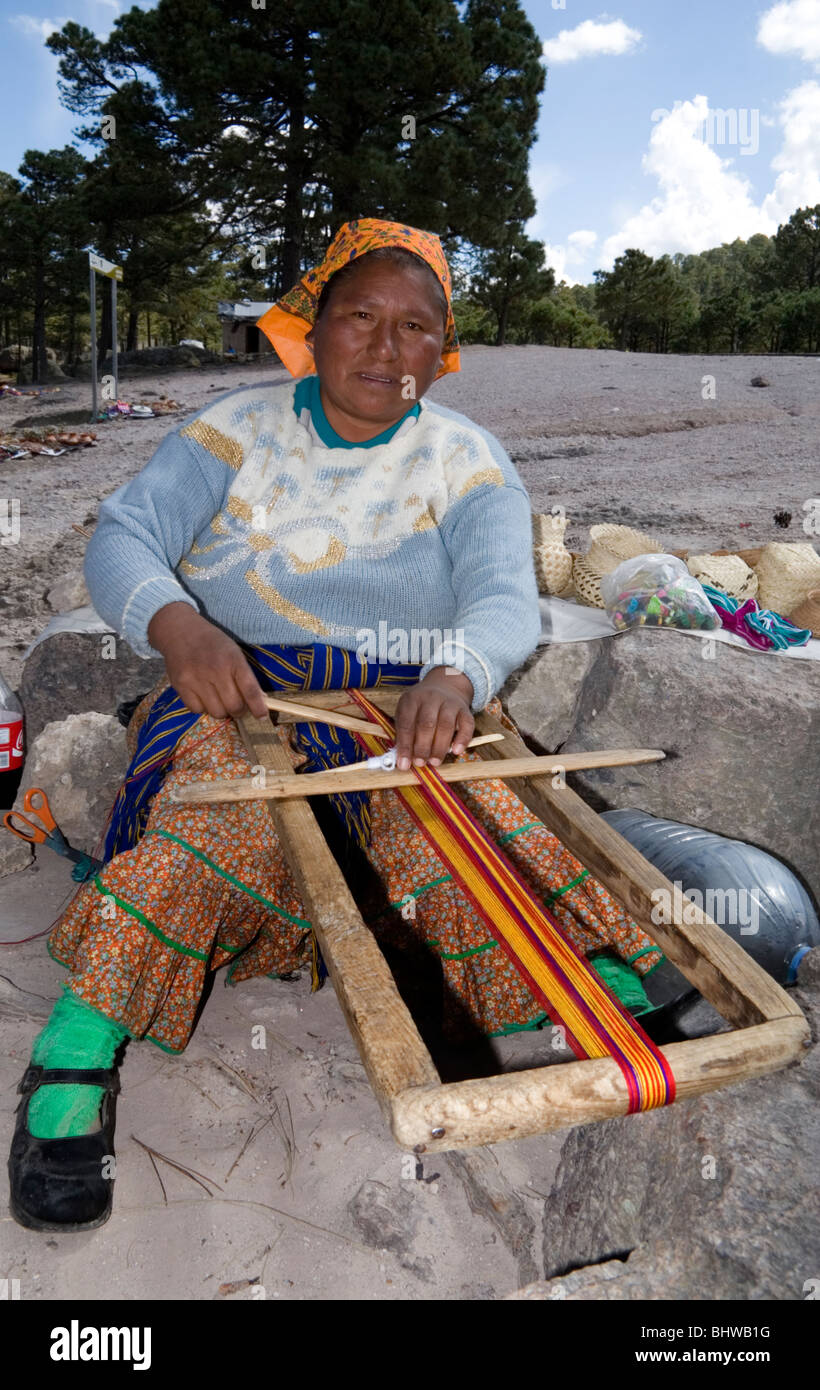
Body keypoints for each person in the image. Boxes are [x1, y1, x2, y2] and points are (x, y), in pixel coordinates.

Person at [8, 218, 665, 1231]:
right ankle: (73, 1060)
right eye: (360, 316)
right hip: (244, 690)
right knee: (209, 828)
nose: (384, 346)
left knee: (470, 835)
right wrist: (178, 626)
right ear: (312, 328)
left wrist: (456, 673)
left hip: (405, 699)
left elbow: (498, 597)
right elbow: (126, 536)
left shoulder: (468, 458)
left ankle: (586, 983)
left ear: (439, 353)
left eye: (413, 327)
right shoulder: (234, 429)